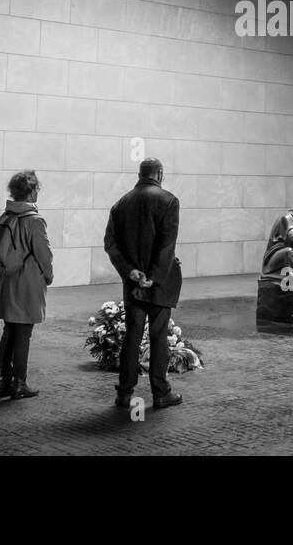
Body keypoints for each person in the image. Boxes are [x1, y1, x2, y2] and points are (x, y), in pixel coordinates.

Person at [104, 158, 183, 411]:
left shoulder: (121, 204)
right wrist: (155, 276)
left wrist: (131, 271)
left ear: (140, 174)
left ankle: (124, 394)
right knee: (159, 337)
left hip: (133, 282)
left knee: (132, 336)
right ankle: (161, 394)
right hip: (158, 283)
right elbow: (166, 244)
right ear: (160, 174)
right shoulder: (169, 201)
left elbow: (110, 243)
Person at [0, 170, 54, 401]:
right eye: (36, 188)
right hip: (28, 282)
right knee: (23, 333)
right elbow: (44, 253)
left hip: (9, 280)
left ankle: (5, 382)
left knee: (9, 331)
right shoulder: (34, 221)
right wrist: (49, 275)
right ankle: (19, 383)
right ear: (31, 191)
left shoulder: (7, 216)